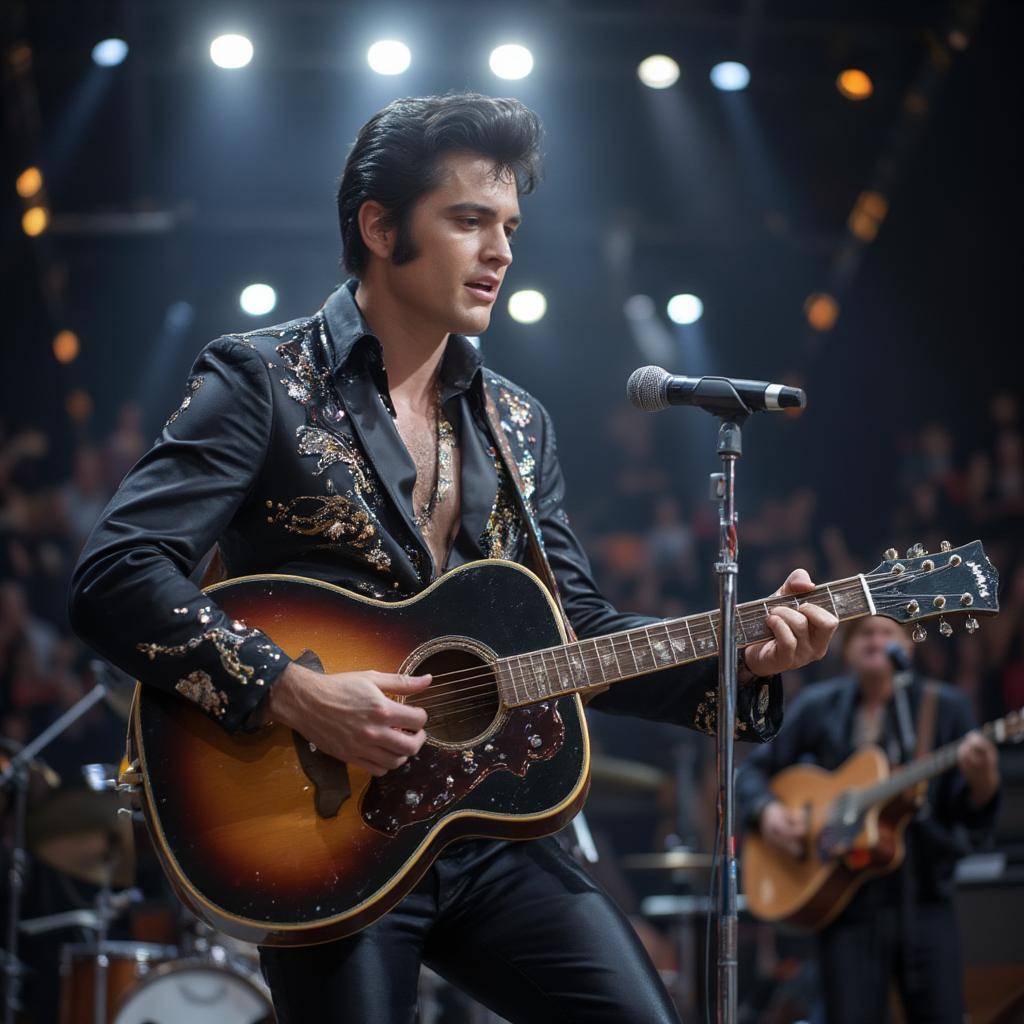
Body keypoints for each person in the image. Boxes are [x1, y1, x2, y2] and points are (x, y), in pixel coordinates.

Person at [69, 93, 838, 1023]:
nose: (502, 250)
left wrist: (742, 653)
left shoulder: (517, 422)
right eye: (469, 220)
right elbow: (117, 572)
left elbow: (579, 633)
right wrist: (298, 693)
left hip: (490, 827)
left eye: (509, 225)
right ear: (380, 226)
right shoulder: (261, 380)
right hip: (325, 829)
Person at [736, 615, 1000, 1024]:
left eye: (888, 632)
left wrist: (984, 780)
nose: (876, 640)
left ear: (907, 647)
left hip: (925, 898)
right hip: (844, 902)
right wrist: (768, 812)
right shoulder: (817, 706)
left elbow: (969, 814)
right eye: (865, 633)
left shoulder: (943, 708)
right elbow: (751, 773)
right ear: (847, 647)